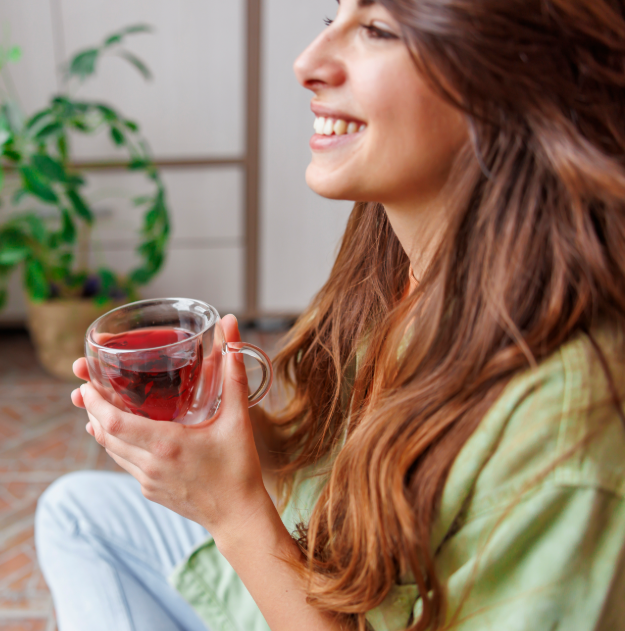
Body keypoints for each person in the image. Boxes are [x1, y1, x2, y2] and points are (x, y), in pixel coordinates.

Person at [34, 0, 625, 628]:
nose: (307, 64)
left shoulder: (569, 439)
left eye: (376, 29)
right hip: (313, 580)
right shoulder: (395, 263)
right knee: (72, 510)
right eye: (331, 18)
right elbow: (325, 485)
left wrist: (231, 510)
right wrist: (234, 434)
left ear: (517, 77)